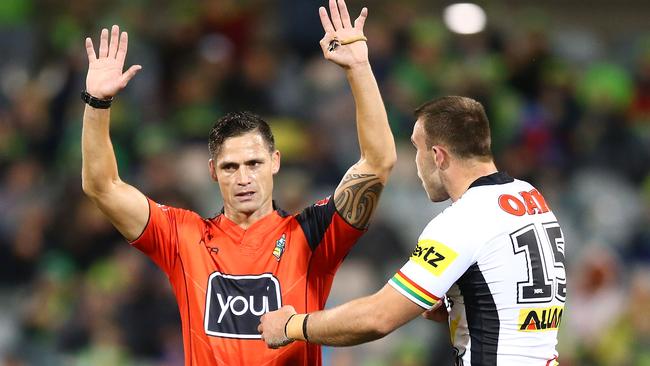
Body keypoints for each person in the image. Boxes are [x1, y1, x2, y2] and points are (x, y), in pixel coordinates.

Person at [80, 0, 396, 364]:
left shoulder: (312, 235)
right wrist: (97, 102)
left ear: (274, 163)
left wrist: (358, 68)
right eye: (230, 167)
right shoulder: (183, 237)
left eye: (254, 163)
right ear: (212, 170)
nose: (244, 178)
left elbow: (378, 162)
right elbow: (101, 185)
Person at [259, 96, 567, 366]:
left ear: (438, 156)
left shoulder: (463, 219)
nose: (416, 164)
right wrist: (457, 310)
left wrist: (292, 326)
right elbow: (518, 309)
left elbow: (378, 318)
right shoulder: (531, 198)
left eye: (416, 149)